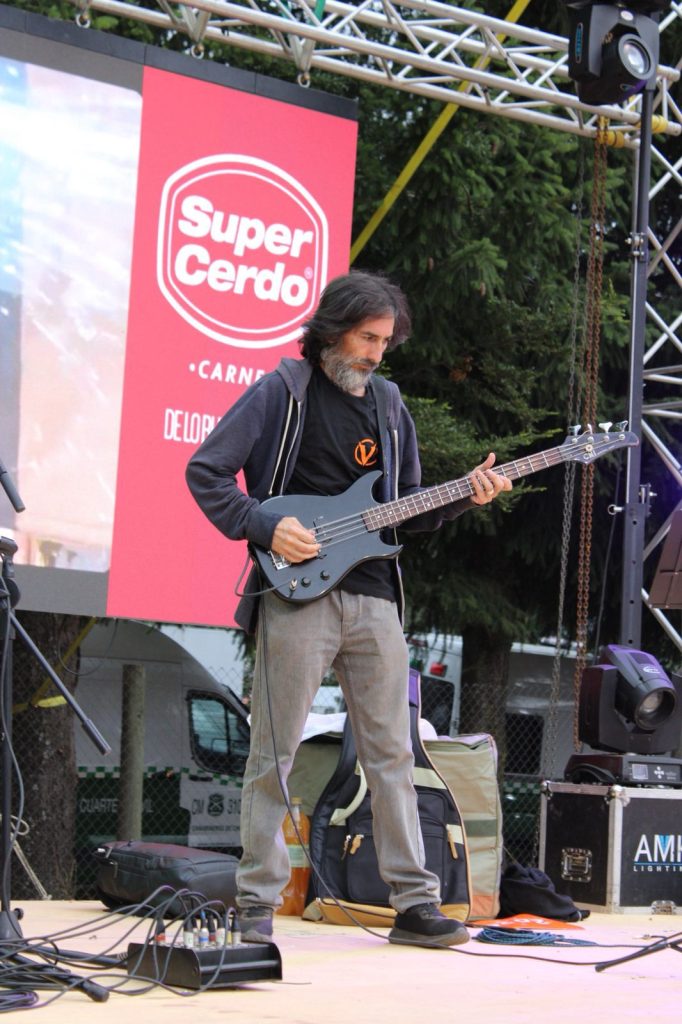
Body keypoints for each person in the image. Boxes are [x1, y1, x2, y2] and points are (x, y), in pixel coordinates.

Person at [186, 270, 511, 948]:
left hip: (375, 600)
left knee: (394, 753)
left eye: (385, 342)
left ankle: (415, 906)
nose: (376, 353)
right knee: (274, 754)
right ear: (332, 331)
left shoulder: (388, 405)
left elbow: (407, 510)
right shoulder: (281, 392)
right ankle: (255, 905)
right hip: (298, 598)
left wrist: (465, 496)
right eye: (367, 338)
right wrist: (264, 525)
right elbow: (206, 470)